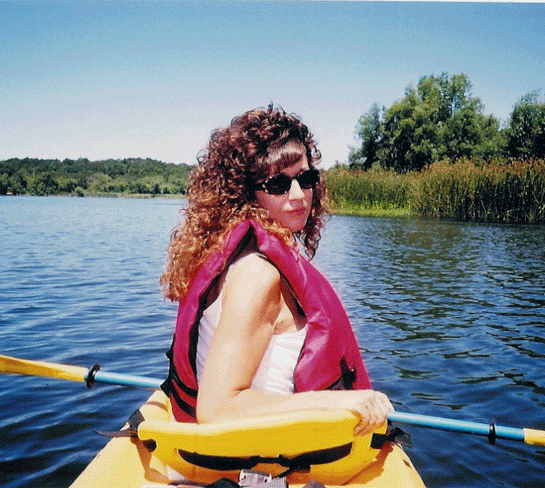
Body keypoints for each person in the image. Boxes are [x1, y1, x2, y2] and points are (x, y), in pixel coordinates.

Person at [160, 105, 392, 437]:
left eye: (306, 179)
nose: (299, 195)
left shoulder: (241, 254)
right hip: (258, 456)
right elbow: (217, 409)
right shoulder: (256, 275)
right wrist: (338, 401)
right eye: (278, 184)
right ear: (245, 192)